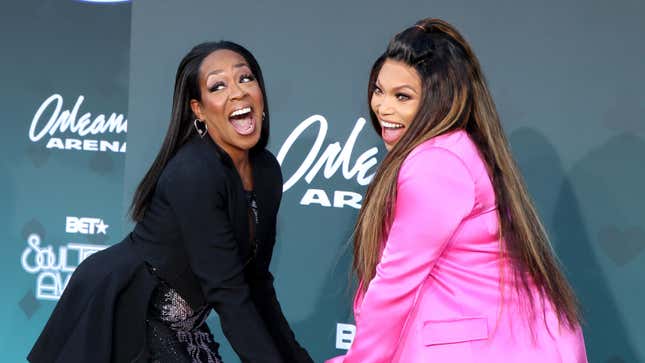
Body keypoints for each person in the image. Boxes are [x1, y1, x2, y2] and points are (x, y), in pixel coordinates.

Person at [28, 41, 313, 363]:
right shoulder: (194, 172)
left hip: (182, 323)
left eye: (245, 79)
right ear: (199, 110)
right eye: (218, 86)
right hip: (125, 312)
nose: (238, 92)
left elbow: (256, 283)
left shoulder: (266, 171)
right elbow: (227, 291)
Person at [327, 18, 588, 363]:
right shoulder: (457, 148)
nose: (383, 108)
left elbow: (394, 286)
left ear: (439, 100)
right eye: (379, 90)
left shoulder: (436, 164)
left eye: (402, 96)